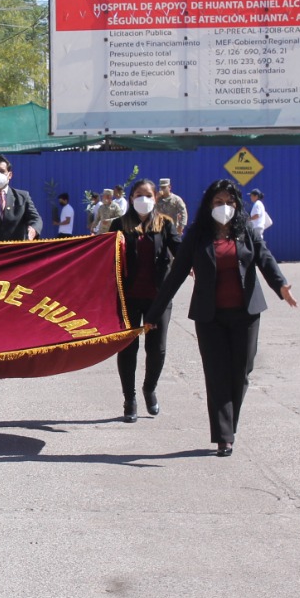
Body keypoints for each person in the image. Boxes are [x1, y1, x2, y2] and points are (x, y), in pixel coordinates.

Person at [147, 179, 297, 457]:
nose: (224, 207)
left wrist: (281, 284)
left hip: (246, 314)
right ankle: (224, 435)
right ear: (208, 205)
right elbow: (176, 274)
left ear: (237, 204)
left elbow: (264, 258)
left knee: (241, 372)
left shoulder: (246, 230)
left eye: (229, 202)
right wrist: (154, 312)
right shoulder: (197, 235)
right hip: (210, 316)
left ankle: (229, 422)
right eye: (218, 202)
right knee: (217, 375)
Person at [110, 179, 180, 422]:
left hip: (158, 298)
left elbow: (180, 250)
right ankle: (129, 399)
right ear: (130, 198)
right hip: (128, 297)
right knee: (128, 348)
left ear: (156, 198)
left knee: (157, 349)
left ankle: (149, 389)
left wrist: (195, 264)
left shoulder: (165, 224)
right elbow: (104, 256)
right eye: (138, 194)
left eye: (148, 195)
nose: (144, 199)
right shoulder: (119, 224)